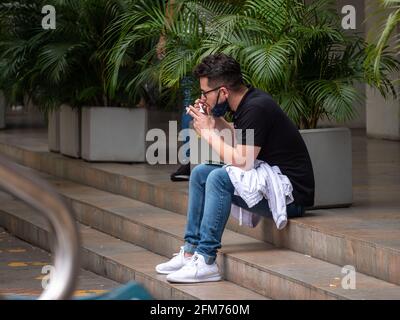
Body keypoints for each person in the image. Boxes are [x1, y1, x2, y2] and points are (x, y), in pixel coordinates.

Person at [155, 53, 315, 283]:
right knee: (201, 173)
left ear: (223, 92)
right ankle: (190, 252)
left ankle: (207, 260)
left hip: (290, 197)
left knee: (219, 178)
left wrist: (208, 134)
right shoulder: (247, 103)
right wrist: (212, 120)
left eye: (205, 93)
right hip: (269, 181)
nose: (203, 98)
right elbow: (240, 139)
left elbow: (243, 161)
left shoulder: (256, 107)